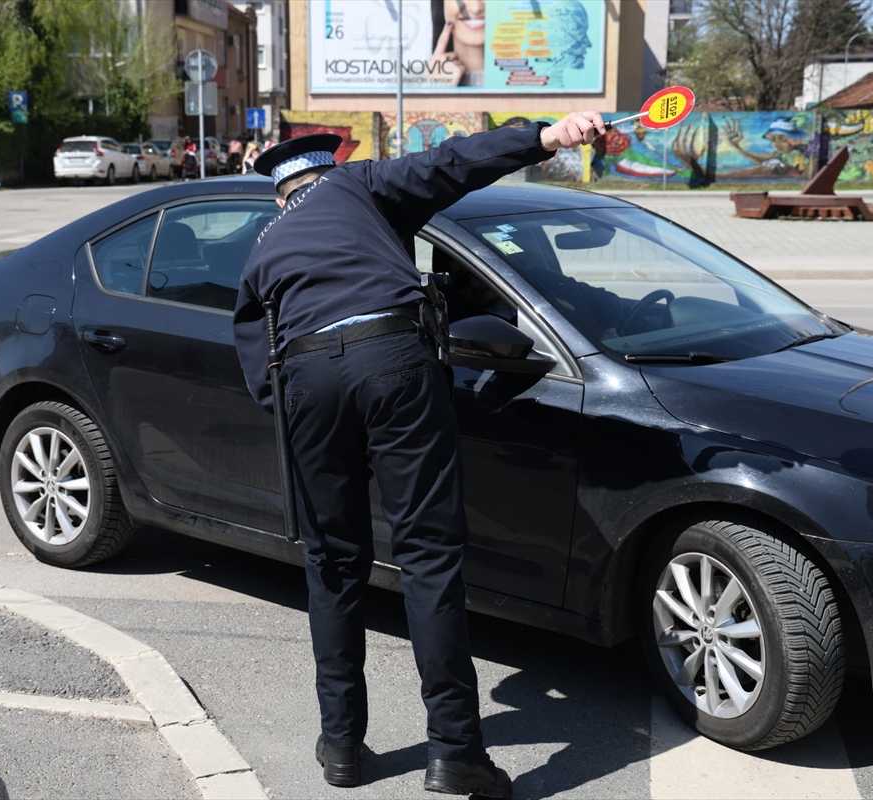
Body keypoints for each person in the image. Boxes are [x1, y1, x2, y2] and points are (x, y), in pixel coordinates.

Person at [233, 112, 605, 798]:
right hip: (393, 357)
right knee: (429, 557)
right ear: (331, 168)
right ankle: (456, 752)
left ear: (281, 195)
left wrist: (301, 415)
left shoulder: (266, 244)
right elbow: (452, 161)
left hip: (307, 381)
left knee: (332, 562)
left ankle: (342, 745)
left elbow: (257, 358)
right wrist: (545, 136)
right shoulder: (362, 186)